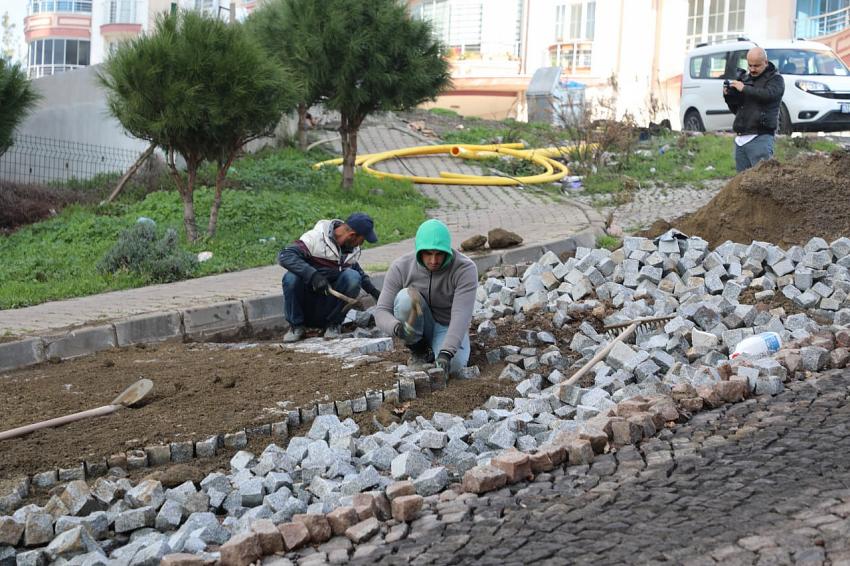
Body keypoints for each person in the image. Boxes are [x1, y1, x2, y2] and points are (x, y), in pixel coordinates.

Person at [374, 219, 478, 377]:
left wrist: (446, 353)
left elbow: (461, 315)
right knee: (405, 298)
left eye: (439, 254)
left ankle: (440, 349)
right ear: (419, 251)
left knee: (455, 366)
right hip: (417, 326)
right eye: (428, 254)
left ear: (447, 251)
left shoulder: (465, 269)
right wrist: (397, 328)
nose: (434, 261)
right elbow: (381, 311)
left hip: (447, 326)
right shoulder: (401, 267)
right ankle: (419, 351)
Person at [279, 212, 382, 342]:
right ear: (352, 235)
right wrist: (314, 276)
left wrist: (374, 292)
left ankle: (333, 325)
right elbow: (285, 256)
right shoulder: (314, 238)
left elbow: (357, 270)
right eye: (362, 240)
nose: (360, 245)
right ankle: (297, 327)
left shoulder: (350, 251)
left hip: (327, 308)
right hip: (307, 303)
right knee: (291, 278)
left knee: (353, 277)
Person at [723, 47, 785, 173]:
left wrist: (744, 89)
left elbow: (767, 95)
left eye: (756, 66)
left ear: (765, 62)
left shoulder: (776, 79)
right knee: (742, 182)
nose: (752, 69)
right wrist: (729, 96)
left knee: (763, 179)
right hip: (741, 138)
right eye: (750, 65)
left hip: (760, 137)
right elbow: (737, 110)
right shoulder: (746, 79)